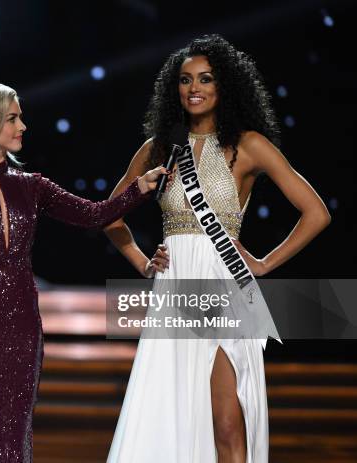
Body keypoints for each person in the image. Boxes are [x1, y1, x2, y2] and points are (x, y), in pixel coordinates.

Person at [104, 35, 330, 463]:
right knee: (174, 414)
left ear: (224, 86)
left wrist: (264, 264)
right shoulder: (158, 150)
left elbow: (316, 213)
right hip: (175, 289)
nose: (194, 88)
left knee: (227, 421)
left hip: (225, 283)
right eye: (186, 79)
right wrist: (141, 261)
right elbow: (110, 214)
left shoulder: (249, 146)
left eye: (205, 79)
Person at [0, 82, 171, 462]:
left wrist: (139, 188)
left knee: (16, 435)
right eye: (13, 118)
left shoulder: (32, 186)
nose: (23, 125)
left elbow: (93, 215)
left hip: (23, 327)